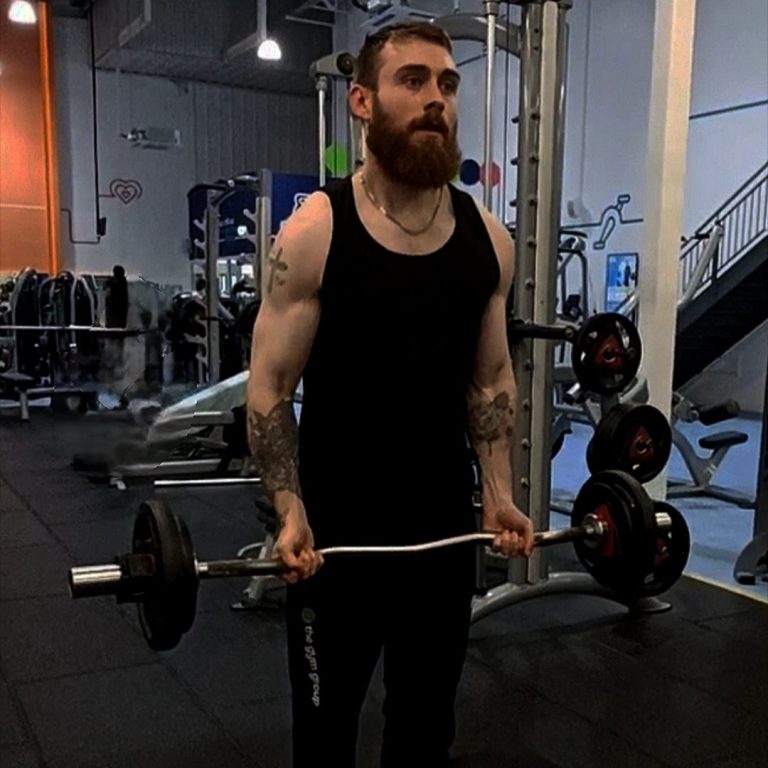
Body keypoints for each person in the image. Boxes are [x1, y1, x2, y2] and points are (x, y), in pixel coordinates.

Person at [246, 21, 534, 767]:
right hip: (336, 537)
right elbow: (270, 386)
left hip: (442, 533)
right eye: (413, 80)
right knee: (324, 735)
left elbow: (490, 379)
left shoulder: (488, 240)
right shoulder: (316, 230)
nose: (436, 99)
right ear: (363, 102)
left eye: (447, 84)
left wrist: (499, 494)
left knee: (425, 731)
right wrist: (289, 509)